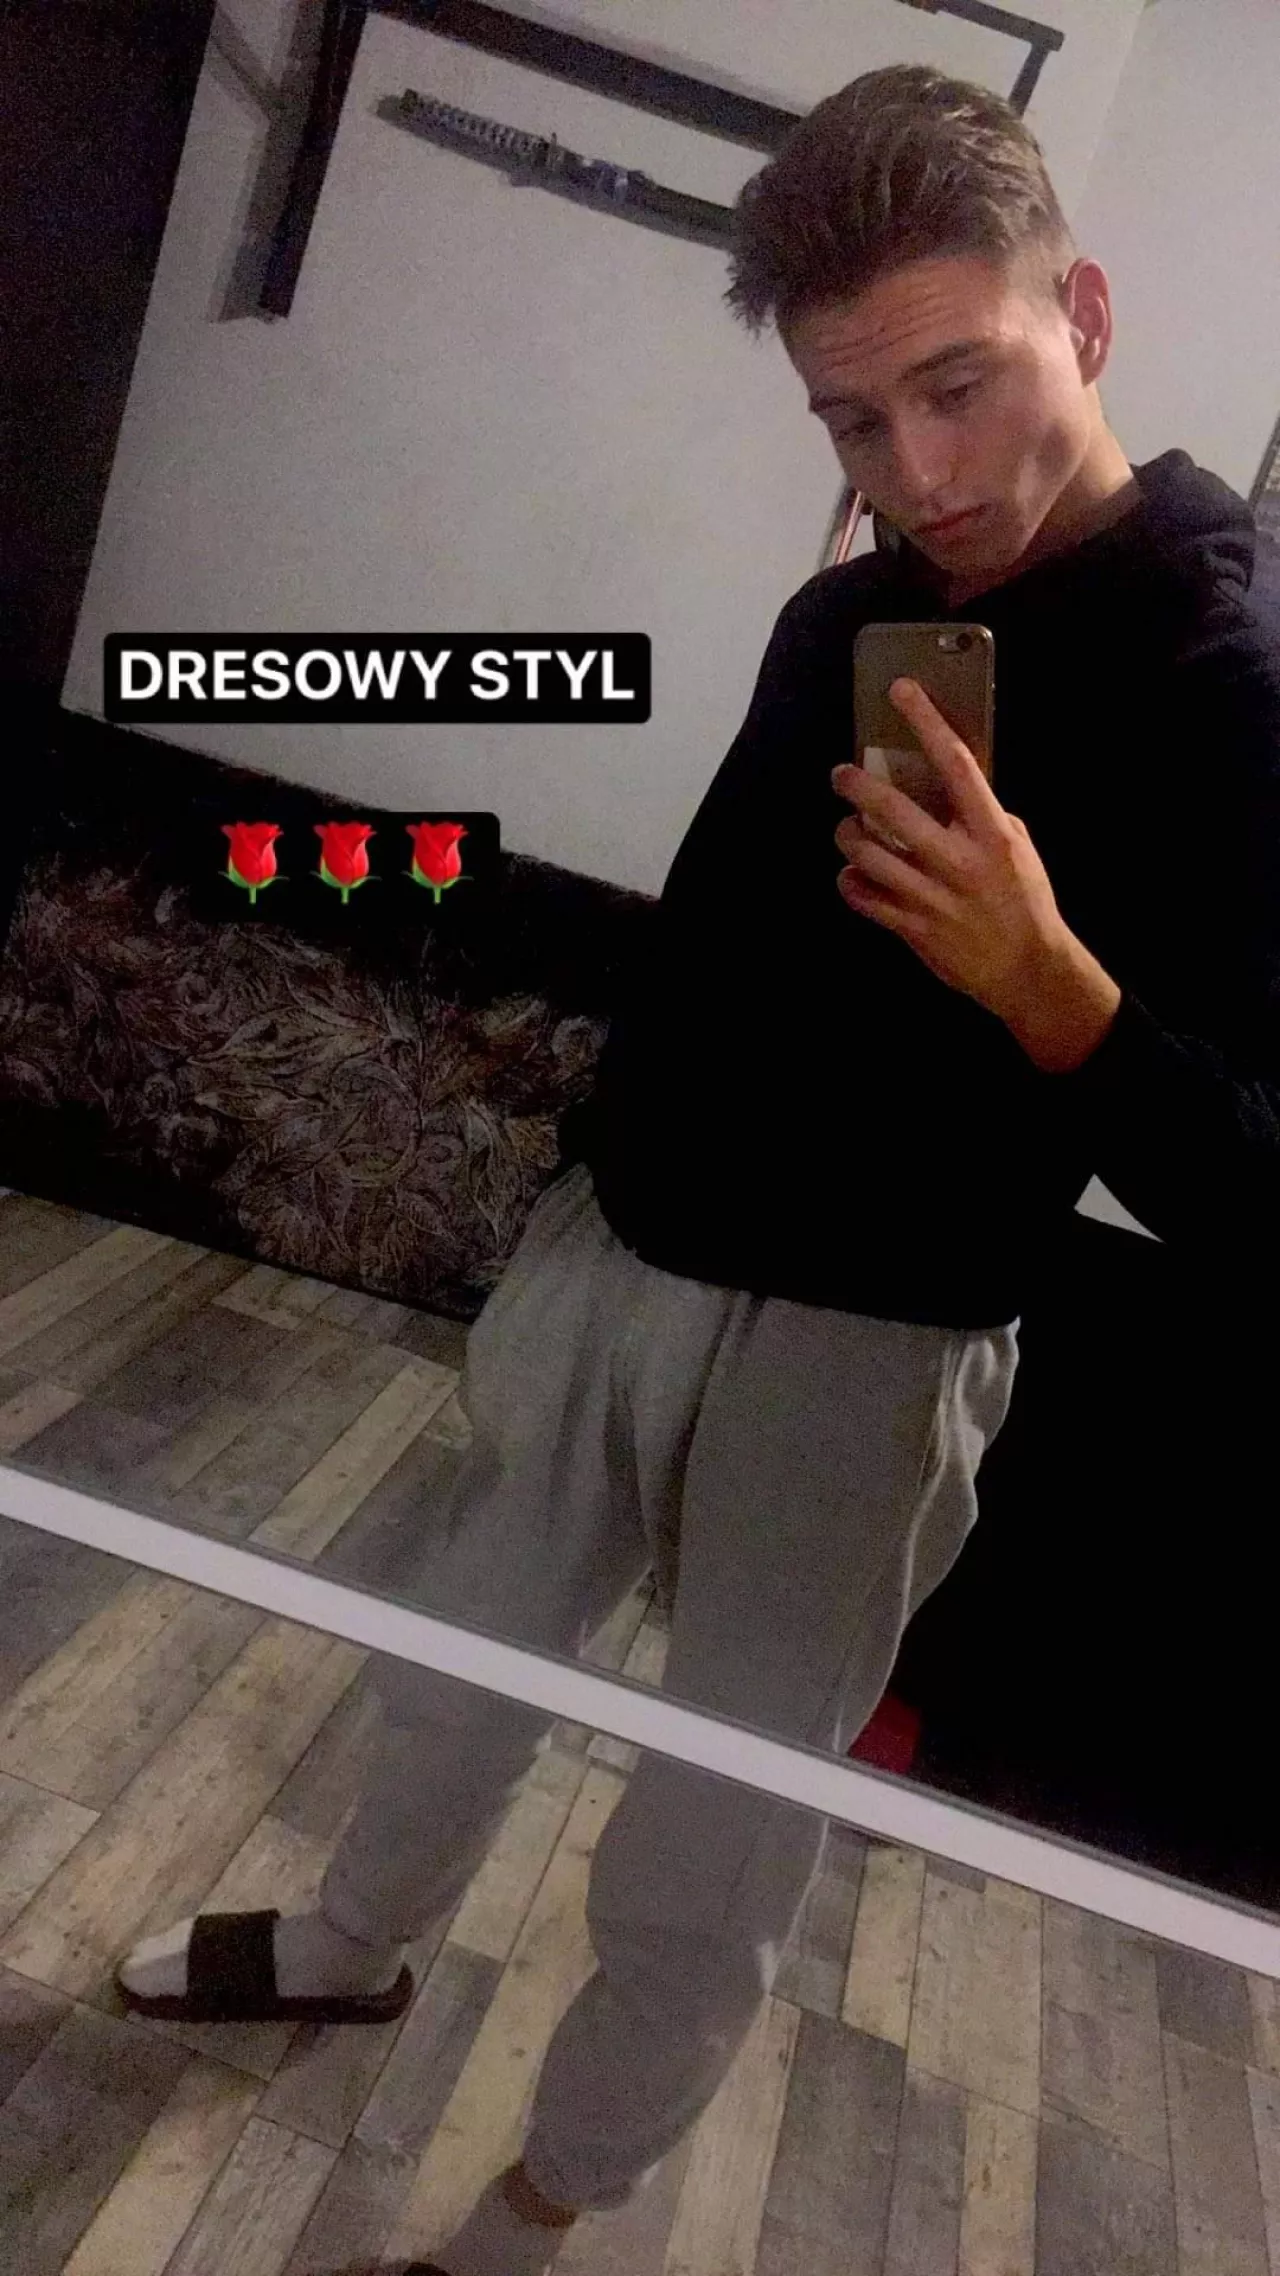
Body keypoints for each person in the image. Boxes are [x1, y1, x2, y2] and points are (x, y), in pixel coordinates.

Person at [116, 61, 1280, 2276]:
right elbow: (728, 931)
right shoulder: (849, 615)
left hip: (871, 1350)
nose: (916, 474)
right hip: (620, 1261)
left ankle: (554, 2195)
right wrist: (576, 1196)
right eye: (853, 418)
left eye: (960, 384)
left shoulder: (1235, 684)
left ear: (1086, 314)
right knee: (446, 1676)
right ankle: (354, 1945)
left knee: (713, 1834)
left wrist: (1059, 995)